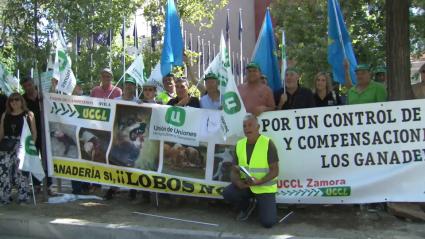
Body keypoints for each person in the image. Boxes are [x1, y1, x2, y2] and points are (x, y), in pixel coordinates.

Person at [223, 114, 279, 228]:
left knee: (268, 223)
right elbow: (234, 170)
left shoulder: (268, 143)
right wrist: (237, 182)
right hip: (247, 185)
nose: (247, 128)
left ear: (257, 127)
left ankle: (261, 205)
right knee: (228, 193)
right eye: (244, 126)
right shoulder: (240, 144)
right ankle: (246, 207)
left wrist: (260, 181)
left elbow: (275, 171)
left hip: (264, 187)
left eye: (250, 125)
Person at [0, 93, 37, 204]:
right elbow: (1, 133)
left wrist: (31, 146)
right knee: (3, 172)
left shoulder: (29, 114)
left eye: (17, 99)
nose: (14, 102)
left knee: (21, 171)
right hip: (6, 145)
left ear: (21, 101)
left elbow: (34, 132)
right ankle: (4, 197)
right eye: (11, 100)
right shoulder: (5, 114)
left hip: (22, 144)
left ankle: (23, 196)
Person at [20, 77, 53, 194]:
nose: (28, 88)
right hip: (30, 133)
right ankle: (36, 185)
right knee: (34, 159)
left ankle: (48, 185)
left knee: (47, 159)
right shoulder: (22, 99)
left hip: (45, 132)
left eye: (29, 85)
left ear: (34, 84)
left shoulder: (43, 96)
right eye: (25, 86)